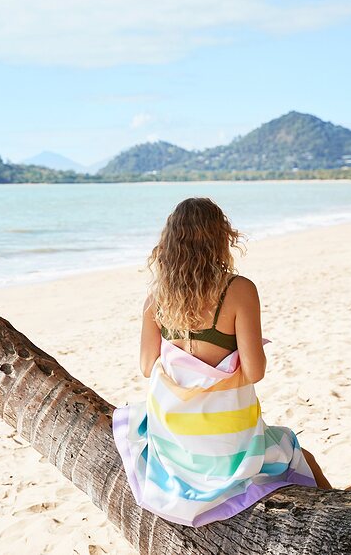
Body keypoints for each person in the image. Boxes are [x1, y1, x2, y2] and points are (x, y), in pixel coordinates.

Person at [112, 197, 331, 527]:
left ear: (170, 243)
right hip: (229, 447)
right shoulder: (239, 290)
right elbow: (255, 372)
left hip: (175, 446)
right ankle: (338, 512)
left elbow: (146, 366)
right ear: (221, 237)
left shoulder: (156, 297)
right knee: (294, 450)